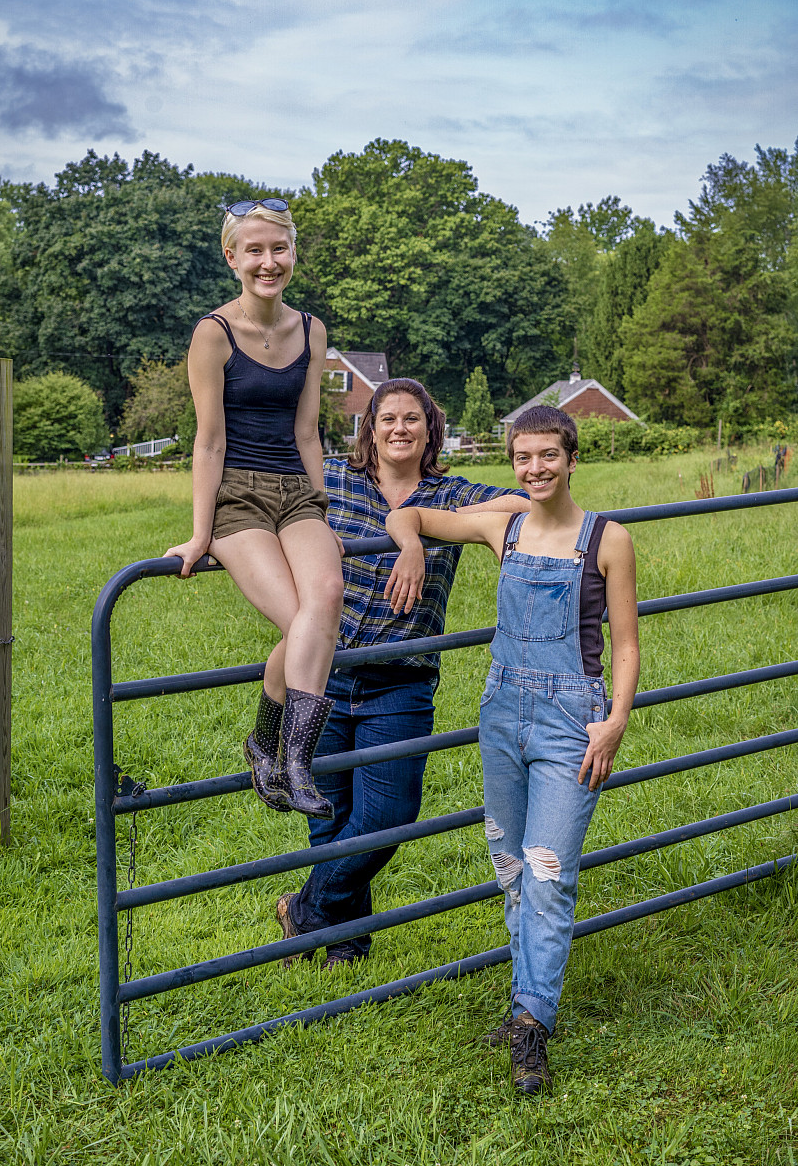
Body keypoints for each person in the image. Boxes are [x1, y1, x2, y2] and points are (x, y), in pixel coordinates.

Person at [386, 404, 640, 1097]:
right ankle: (526, 996)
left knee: (547, 869)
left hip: (571, 722)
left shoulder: (606, 539)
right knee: (509, 864)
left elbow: (623, 643)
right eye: (523, 457)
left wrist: (614, 720)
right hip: (502, 715)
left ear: (571, 458)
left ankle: (531, 1023)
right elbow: (409, 513)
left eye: (547, 456)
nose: (534, 468)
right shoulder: (505, 525)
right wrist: (408, 543)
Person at [275, 377, 528, 969]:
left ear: (430, 430)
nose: (399, 429)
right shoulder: (333, 482)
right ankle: (345, 942)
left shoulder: (453, 494)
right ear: (370, 428)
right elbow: (269, 507)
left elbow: (520, 504)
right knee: (331, 818)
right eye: (387, 418)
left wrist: (411, 527)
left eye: (412, 419)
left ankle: (304, 913)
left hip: (401, 680)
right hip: (324, 674)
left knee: (387, 818)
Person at [165, 198, 344, 819]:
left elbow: (307, 433)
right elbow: (208, 440)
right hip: (236, 497)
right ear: (232, 258)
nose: (269, 262)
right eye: (255, 251)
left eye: (280, 249)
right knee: (302, 621)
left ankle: (287, 757)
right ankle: (276, 752)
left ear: (293, 252)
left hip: (297, 492)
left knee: (325, 600)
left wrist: (322, 511)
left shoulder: (312, 330)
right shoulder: (213, 334)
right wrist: (198, 534)